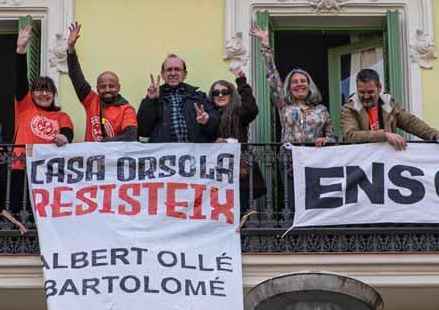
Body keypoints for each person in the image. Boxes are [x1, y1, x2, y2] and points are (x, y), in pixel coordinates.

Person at [3, 24, 74, 213]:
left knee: (45, 215)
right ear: (32, 94)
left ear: (54, 94)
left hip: (48, 172)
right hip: (21, 168)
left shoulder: (61, 116)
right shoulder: (25, 106)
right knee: (19, 214)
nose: (44, 94)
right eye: (39, 90)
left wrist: (64, 137)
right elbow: (20, 79)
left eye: (48, 90)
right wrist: (21, 50)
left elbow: (67, 132)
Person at [249, 27, 332, 146]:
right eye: (294, 82)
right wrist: (266, 44)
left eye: (303, 81)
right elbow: (272, 76)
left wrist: (326, 140)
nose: (299, 84)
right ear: (289, 87)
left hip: (313, 160)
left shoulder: (321, 110)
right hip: (290, 160)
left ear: (309, 86)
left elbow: (332, 137)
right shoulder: (284, 104)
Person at [340, 68, 439, 150]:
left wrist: (436, 135)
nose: (366, 96)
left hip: (387, 164)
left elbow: (411, 122)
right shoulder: (349, 109)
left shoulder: (389, 105)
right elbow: (350, 135)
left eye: (370, 92)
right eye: (361, 92)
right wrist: (385, 135)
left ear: (379, 88)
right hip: (361, 166)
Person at [64, 22, 137, 142]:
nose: (107, 89)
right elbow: (76, 77)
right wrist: (71, 49)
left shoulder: (127, 109)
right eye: (103, 87)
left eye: (111, 86)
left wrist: (103, 144)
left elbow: (130, 136)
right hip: (90, 159)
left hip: (114, 159)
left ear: (118, 88)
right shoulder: (91, 101)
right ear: (97, 89)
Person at [209, 68, 266, 207]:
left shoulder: (238, 113)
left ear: (231, 94)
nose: (220, 95)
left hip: (239, 170)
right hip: (214, 172)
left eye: (225, 92)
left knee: (239, 208)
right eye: (216, 93)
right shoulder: (207, 116)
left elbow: (251, 109)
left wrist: (242, 83)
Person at [137, 54, 220, 143]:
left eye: (177, 69)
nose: (173, 73)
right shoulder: (153, 97)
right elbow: (142, 130)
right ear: (162, 74)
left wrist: (207, 120)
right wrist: (151, 101)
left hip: (195, 155)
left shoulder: (198, 97)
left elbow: (215, 124)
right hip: (165, 155)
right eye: (169, 70)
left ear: (185, 74)